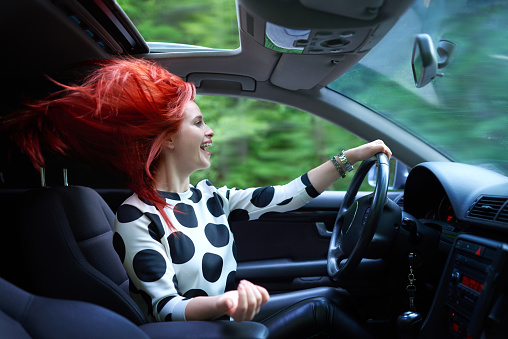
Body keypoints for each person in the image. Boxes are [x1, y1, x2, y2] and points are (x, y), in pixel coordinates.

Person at [5, 58, 391, 338]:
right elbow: (166, 310)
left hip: (225, 323)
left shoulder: (208, 197)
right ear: (168, 138)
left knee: (331, 294)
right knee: (324, 306)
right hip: (203, 331)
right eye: (198, 122)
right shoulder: (135, 217)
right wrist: (225, 304)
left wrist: (350, 158)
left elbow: (287, 196)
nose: (211, 131)